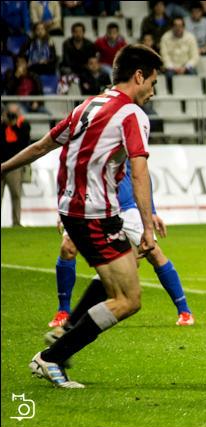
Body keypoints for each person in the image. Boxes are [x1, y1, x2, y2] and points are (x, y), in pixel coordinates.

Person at [0, 44, 164, 388]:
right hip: (96, 215)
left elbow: (42, 145)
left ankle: (65, 333)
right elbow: (139, 171)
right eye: (152, 81)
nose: (153, 90)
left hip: (72, 212)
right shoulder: (132, 114)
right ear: (138, 76)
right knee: (128, 299)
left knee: (117, 280)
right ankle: (53, 357)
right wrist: (148, 225)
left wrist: (3, 166)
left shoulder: (87, 105)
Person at [48, 158, 195, 329]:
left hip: (126, 207)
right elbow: (69, 173)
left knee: (153, 252)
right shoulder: (81, 138)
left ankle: (184, 311)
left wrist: (152, 212)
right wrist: (64, 207)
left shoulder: (125, 135)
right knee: (67, 248)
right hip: (89, 206)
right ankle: (63, 311)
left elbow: (142, 174)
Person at [1, 104, 30, 227]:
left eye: (14, 113)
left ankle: (17, 222)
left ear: (18, 112)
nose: (11, 116)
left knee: (16, 195)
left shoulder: (23, 125)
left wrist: (14, 126)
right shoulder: (2, 125)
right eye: (9, 113)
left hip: (14, 166)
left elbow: (24, 144)